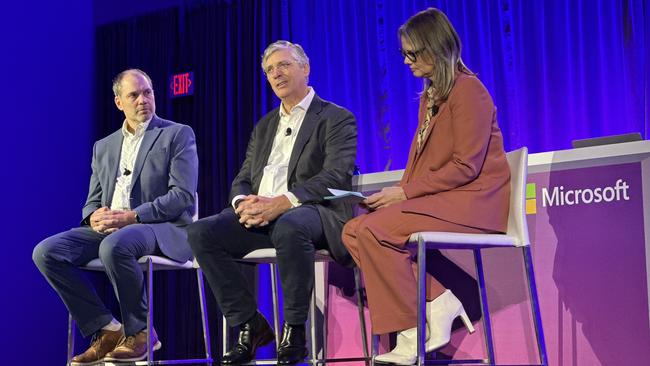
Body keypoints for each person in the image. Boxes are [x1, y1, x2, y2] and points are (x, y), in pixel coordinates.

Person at [341, 8, 511, 365]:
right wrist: (395, 195)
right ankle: (438, 300)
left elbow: (466, 166)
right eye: (403, 53)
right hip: (443, 198)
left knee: (372, 232)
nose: (405, 61)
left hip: (474, 200)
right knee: (354, 231)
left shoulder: (470, 92)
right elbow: (420, 164)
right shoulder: (431, 97)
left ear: (435, 48)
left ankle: (411, 333)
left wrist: (403, 194)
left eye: (412, 53)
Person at [187, 40, 357, 366]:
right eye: (269, 70)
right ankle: (249, 323)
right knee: (200, 233)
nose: (276, 74)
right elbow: (242, 179)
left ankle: (294, 330)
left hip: (312, 213)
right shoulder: (264, 126)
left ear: (305, 68)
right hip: (261, 215)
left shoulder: (336, 118)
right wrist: (243, 204)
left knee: (291, 226)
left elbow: (336, 176)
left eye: (284, 65)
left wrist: (284, 201)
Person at [32, 69, 199, 364]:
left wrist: (132, 216)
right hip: (111, 230)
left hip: (159, 226)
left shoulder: (176, 134)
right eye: (134, 95)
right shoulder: (104, 146)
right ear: (119, 102)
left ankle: (142, 332)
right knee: (46, 252)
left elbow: (182, 197)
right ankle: (106, 327)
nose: (143, 100)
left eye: (147, 92)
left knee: (115, 245)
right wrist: (93, 217)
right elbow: (92, 201)